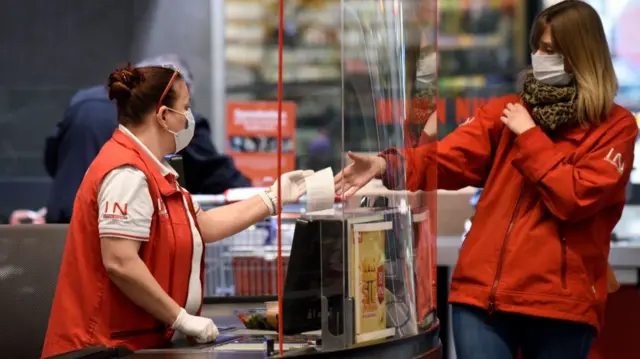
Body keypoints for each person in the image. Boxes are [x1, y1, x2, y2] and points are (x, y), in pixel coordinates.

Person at [335, 2, 637, 358]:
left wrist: (529, 136)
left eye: (551, 50)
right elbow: (447, 159)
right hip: (482, 297)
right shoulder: (507, 112)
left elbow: (574, 197)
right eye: (537, 47)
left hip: (559, 303)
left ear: (581, 54)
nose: (539, 56)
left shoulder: (614, 127)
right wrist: (387, 164)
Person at [41, 64, 313, 357]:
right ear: (163, 115)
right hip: (99, 349)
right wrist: (181, 318)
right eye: (185, 107)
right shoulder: (127, 173)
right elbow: (120, 261)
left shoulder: (156, 171)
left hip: (139, 343)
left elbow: (204, 225)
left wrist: (273, 198)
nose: (189, 118)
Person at [43, 54, 250, 224]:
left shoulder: (83, 102)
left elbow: (52, 160)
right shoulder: (170, 119)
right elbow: (214, 174)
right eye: (186, 103)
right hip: (114, 229)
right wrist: (260, 197)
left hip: (61, 223)